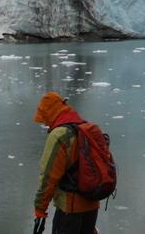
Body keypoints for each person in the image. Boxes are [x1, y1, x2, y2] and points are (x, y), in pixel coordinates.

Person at [33, 91, 100, 234]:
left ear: (50, 113)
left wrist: (40, 207)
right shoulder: (86, 128)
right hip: (92, 205)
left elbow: (49, 176)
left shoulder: (60, 135)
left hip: (70, 208)